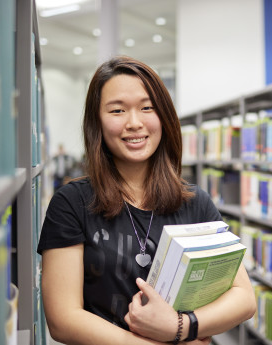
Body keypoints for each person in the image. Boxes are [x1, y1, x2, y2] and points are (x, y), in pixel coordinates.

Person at [37, 55, 256, 345]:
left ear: (163, 116)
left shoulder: (194, 202)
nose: (134, 123)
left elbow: (244, 298)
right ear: (97, 123)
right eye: (117, 111)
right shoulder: (72, 203)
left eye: (147, 108)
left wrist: (180, 326)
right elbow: (63, 320)